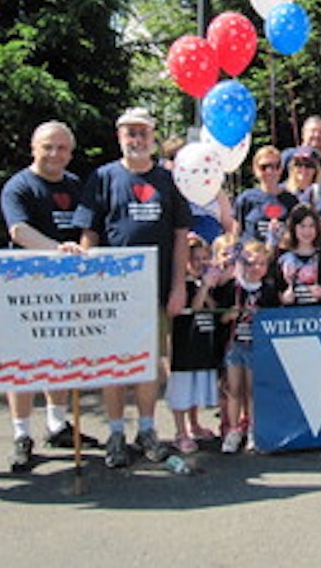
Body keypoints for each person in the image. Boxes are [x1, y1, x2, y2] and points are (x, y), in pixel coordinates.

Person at [73, 107, 192, 468]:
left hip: (154, 291)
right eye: (129, 133)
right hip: (112, 293)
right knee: (113, 365)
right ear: (119, 137)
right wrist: (88, 281)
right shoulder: (102, 178)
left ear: (153, 137)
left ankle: (146, 429)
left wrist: (178, 287)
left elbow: (180, 237)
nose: (136, 139)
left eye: (142, 132)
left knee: (148, 364)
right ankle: (115, 434)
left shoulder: (169, 181)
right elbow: (89, 233)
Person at [0, 120, 99, 473]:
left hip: (68, 287)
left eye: (61, 148)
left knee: (63, 356)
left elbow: (89, 228)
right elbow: (18, 230)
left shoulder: (76, 185)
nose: (55, 154)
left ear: (70, 152)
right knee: (24, 363)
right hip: (27, 288)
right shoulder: (19, 186)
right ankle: (21, 434)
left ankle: (57, 424)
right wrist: (60, 250)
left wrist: (83, 256)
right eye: (48, 147)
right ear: (33, 147)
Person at [213, 239, 279, 454]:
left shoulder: (268, 290)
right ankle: (233, 430)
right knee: (234, 389)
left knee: (251, 390)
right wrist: (229, 315)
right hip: (234, 345)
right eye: (251, 263)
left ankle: (252, 428)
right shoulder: (233, 287)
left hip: (256, 346)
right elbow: (220, 318)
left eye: (261, 263)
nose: (256, 268)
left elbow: (273, 320)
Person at [167, 233, 226, 454]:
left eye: (205, 258)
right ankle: (180, 432)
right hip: (185, 348)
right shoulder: (184, 285)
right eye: (196, 259)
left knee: (196, 390)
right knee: (182, 392)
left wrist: (209, 284)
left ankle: (194, 424)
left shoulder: (205, 282)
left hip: (202, 347)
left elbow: (212, 306)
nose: (201, 263)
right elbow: (196, 306)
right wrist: (203, 288)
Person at [234, 146, 299, 256]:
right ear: (255, 169)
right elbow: (236, 232)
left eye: (275, 166)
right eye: (264, 167)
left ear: (281, 169)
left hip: (282, 260)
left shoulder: (291, 201)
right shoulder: (246, 199)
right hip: (252, 260)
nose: (270, 171)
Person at [276, 204, 321, 306]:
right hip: (292, 317)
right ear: (293, 228)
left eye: (311, 226)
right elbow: (277, 290)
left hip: (320, 316)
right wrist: (284, 299)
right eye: (302, 226)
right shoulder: (284, 259)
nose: (307, 231)